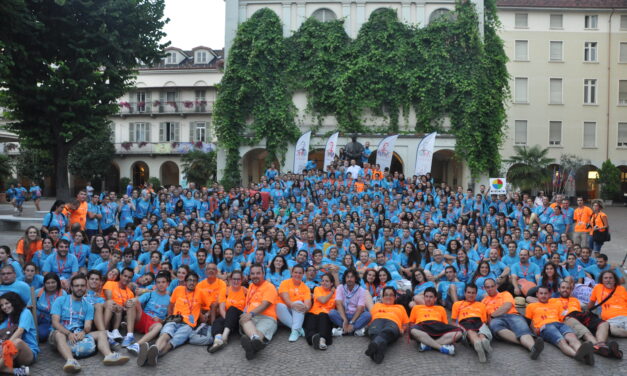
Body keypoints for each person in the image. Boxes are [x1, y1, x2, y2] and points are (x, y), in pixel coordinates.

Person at [50, 274, 129, 373]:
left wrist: (83, 332)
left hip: (78, 332)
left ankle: (109, 355)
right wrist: (68, 333)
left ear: (86, 287)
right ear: (71, 287)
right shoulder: (60, 300)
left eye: (82, 286)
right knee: (59, 334)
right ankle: (71, 361)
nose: (80, 288)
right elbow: (55, 323)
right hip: (61, 332)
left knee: (101, 333)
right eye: (77, 286)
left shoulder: (88, 305)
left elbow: (88, 325)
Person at [140, 272, 211, 367]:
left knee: (171, 343)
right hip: (173, 320)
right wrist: (169, 316)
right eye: (189, 280)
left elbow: (209, 307)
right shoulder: (178, 289)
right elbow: (171, 304)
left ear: (197, 282)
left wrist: (204, 315)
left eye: (194, 280)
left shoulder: (201, 292)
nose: (192, 282)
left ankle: (151, 355)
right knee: (165, 335)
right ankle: (155, 350)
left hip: (188, 325)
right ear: (185, 282)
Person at [550, 280, 622, 359]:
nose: (565, 290)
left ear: (570, 290)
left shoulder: (575, 300)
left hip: (581, 314)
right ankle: (599, 347)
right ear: (559, 289)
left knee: (604, 324)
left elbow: (588, 306)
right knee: (585, 331)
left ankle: (601, 344)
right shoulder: (552, 301)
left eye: (568, 288)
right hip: (568, 317)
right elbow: (537, 302)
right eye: (563, 288)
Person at [525, 286, 594, 365]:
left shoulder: (555, 305)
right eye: (541, 293)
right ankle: (577, 355)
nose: (543, 295)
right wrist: (535, 332)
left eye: (545, 293)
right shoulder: (531, 306)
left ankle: (582, 352)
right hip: (545, 326)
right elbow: (529, 322)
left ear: (549, 295)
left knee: (572, 338)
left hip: (559, 324)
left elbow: (563, 315)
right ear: (537, 294)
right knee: (561, 341)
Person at [481, 278, 544, 359]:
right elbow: (483, 318)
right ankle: (531, 346)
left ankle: (532, 348)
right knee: (495, 326)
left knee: (522, 330)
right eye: (487, 287)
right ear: (484, 288)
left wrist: (492, 316)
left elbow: (507, 306)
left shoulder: (505, 294)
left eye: (492, 286)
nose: (490, 289)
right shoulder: (483, 301)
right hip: (497, 320)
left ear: (496, 286)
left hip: (512, 315)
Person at [127, 272, 170, 361]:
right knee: (134, 302)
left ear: (168, 284)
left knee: (159, 326)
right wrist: (130, 302)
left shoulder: (170, 299)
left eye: (163, 282)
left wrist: (161, 320)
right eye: (158, 282)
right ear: (155, 284)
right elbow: (135, 301)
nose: (161, 284)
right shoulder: (150, 294)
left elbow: (170, 316)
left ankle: (137, 345)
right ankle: (129, 335)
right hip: (143, 317)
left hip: (154, 323)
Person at [239, 264, 278, 360]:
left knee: (259, 331)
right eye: (252, 273)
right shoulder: (251, 285)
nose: (255, 276)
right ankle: (255, 342)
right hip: (251, 317)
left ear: (263, 274)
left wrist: (250, 314)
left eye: (258, 273)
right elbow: (249, 302)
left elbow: (265, 304)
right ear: (250, 275)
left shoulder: (269, 287)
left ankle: (252, 346)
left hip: (267, 317)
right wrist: (245, 313)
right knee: (244, 319)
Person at [409, 287, 462, 356]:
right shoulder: (416, 308)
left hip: (438, 326)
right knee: (413, 330)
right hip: (423, 327)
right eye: (426, 296)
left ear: (435, 299)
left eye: (431, 297)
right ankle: (441, 347)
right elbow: (411, 323)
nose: (428, 299)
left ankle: (428, 345)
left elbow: (444, 324)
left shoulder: (441, 308)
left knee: (459, 333)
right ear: (424, 297)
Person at [365, 286, 409, 364]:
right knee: (375, 331)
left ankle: (374, 344)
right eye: (386, 295)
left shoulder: (400, 307)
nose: (388, 297)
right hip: (377, 321)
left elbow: (406, 323)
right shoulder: (377, 305)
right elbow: (369, 320)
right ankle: (379, 350)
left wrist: (403, 329)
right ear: (382, 297)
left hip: (392, 322)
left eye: (391, 295)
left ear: (395, 297)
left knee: (388, 331)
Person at [208, 270, 247, 353]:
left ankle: (224, 337)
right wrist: (229, 320)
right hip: (228, 318)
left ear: (242, 280)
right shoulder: (225, 291)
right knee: (217, 321)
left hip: (240, 319)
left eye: (238, 279)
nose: (236, 281)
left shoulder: (245, 291)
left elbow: (248, 308)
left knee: (232, 309)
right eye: (234, 279)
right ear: (230, 279)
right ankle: (217, 340)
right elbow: (222, 308)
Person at [451, 283, 492, 363]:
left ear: (476, 294)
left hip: (478, 321)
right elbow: (453, 322)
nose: (471, 295)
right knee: (470, 331)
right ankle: (478, 343)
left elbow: (484, 321)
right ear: (465, 293)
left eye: (473, 293)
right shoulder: (457, 304)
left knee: (482, 331)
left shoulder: (481, 305)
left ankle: (482, 340)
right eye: (469, 292)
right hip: (465, 321)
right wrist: (459, 327)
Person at [0, 292, 38, 375]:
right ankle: (16, 371)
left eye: (7, 303)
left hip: (26, 353)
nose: (4, 307)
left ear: (14, 302)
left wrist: (4, 346)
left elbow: (20, 330)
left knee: (16, 342)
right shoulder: (6, 317)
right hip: (8, 354)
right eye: (2, 305)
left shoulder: (25, 312)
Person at [329, 269, 371, 336]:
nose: (349, 279)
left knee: (367, 315)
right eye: (347, 277)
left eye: (351, 277)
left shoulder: (361, 290)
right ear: (345, 278)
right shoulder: (340, 288)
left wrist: (351, 322)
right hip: (343, 314)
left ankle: (345, 329)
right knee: (332, 313)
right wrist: (345, 319)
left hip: (355, 316)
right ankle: (353, 330)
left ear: (355, 278)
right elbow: (338, 304)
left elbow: (360, 308)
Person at [276, 265, 311, 342]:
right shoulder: (284, 283)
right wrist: (292, 305)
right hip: (284, 310)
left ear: (303, 274)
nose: (297, 275)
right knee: (278, 305)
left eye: (300, 273)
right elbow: (285, 299)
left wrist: (306, 308)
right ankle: (298, 328)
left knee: (299, 303)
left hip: (298, 312)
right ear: (291, 273)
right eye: (295, 272)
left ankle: (295, 331)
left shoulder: (306, 287)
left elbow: (308, 303)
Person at [588, 270, 627, 338]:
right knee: (611, 330)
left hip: (625, 316)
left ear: (614, 280)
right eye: (605, 278)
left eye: (610, 278)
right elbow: (591, 303)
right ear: (602, 280)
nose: (608, 280)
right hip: (611, 320)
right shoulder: (598, 288)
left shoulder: (621, 289)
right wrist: (588, 312)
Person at [102, 268, 135, 345]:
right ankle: (105, 332)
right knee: (111, 303)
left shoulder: (130, 293)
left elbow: (128, 308)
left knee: (131, 303)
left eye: (129, 277)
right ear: (120, 276)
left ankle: (122, 333)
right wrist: (121, 306)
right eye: (125, 276)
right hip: (107, 309)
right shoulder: (110, 283)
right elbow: (108, 298)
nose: (126, 279)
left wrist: (126, 307)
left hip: (120, 313)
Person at [304, 273, 336, 351]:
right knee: (310, 327)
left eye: (327, 281)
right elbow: (323, 300)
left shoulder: (337, 292)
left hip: (326, 314)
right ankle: (313, 338)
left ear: (331, 283)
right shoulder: (317, 289)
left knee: (323, 317)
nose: (324, 283)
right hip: (314, 312)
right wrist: (331, 293)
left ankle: (322, 340)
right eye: (322, 281)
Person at [34, 273, 66, 340]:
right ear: (44, 284)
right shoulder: (38, 292)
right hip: (41, 320)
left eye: (53, 282)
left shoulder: (62, 293)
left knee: (42, 335)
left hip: (57, 320)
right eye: (47, 283)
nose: (50, 285)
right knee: (39, 334)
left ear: (57, 282)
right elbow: (30, 307)